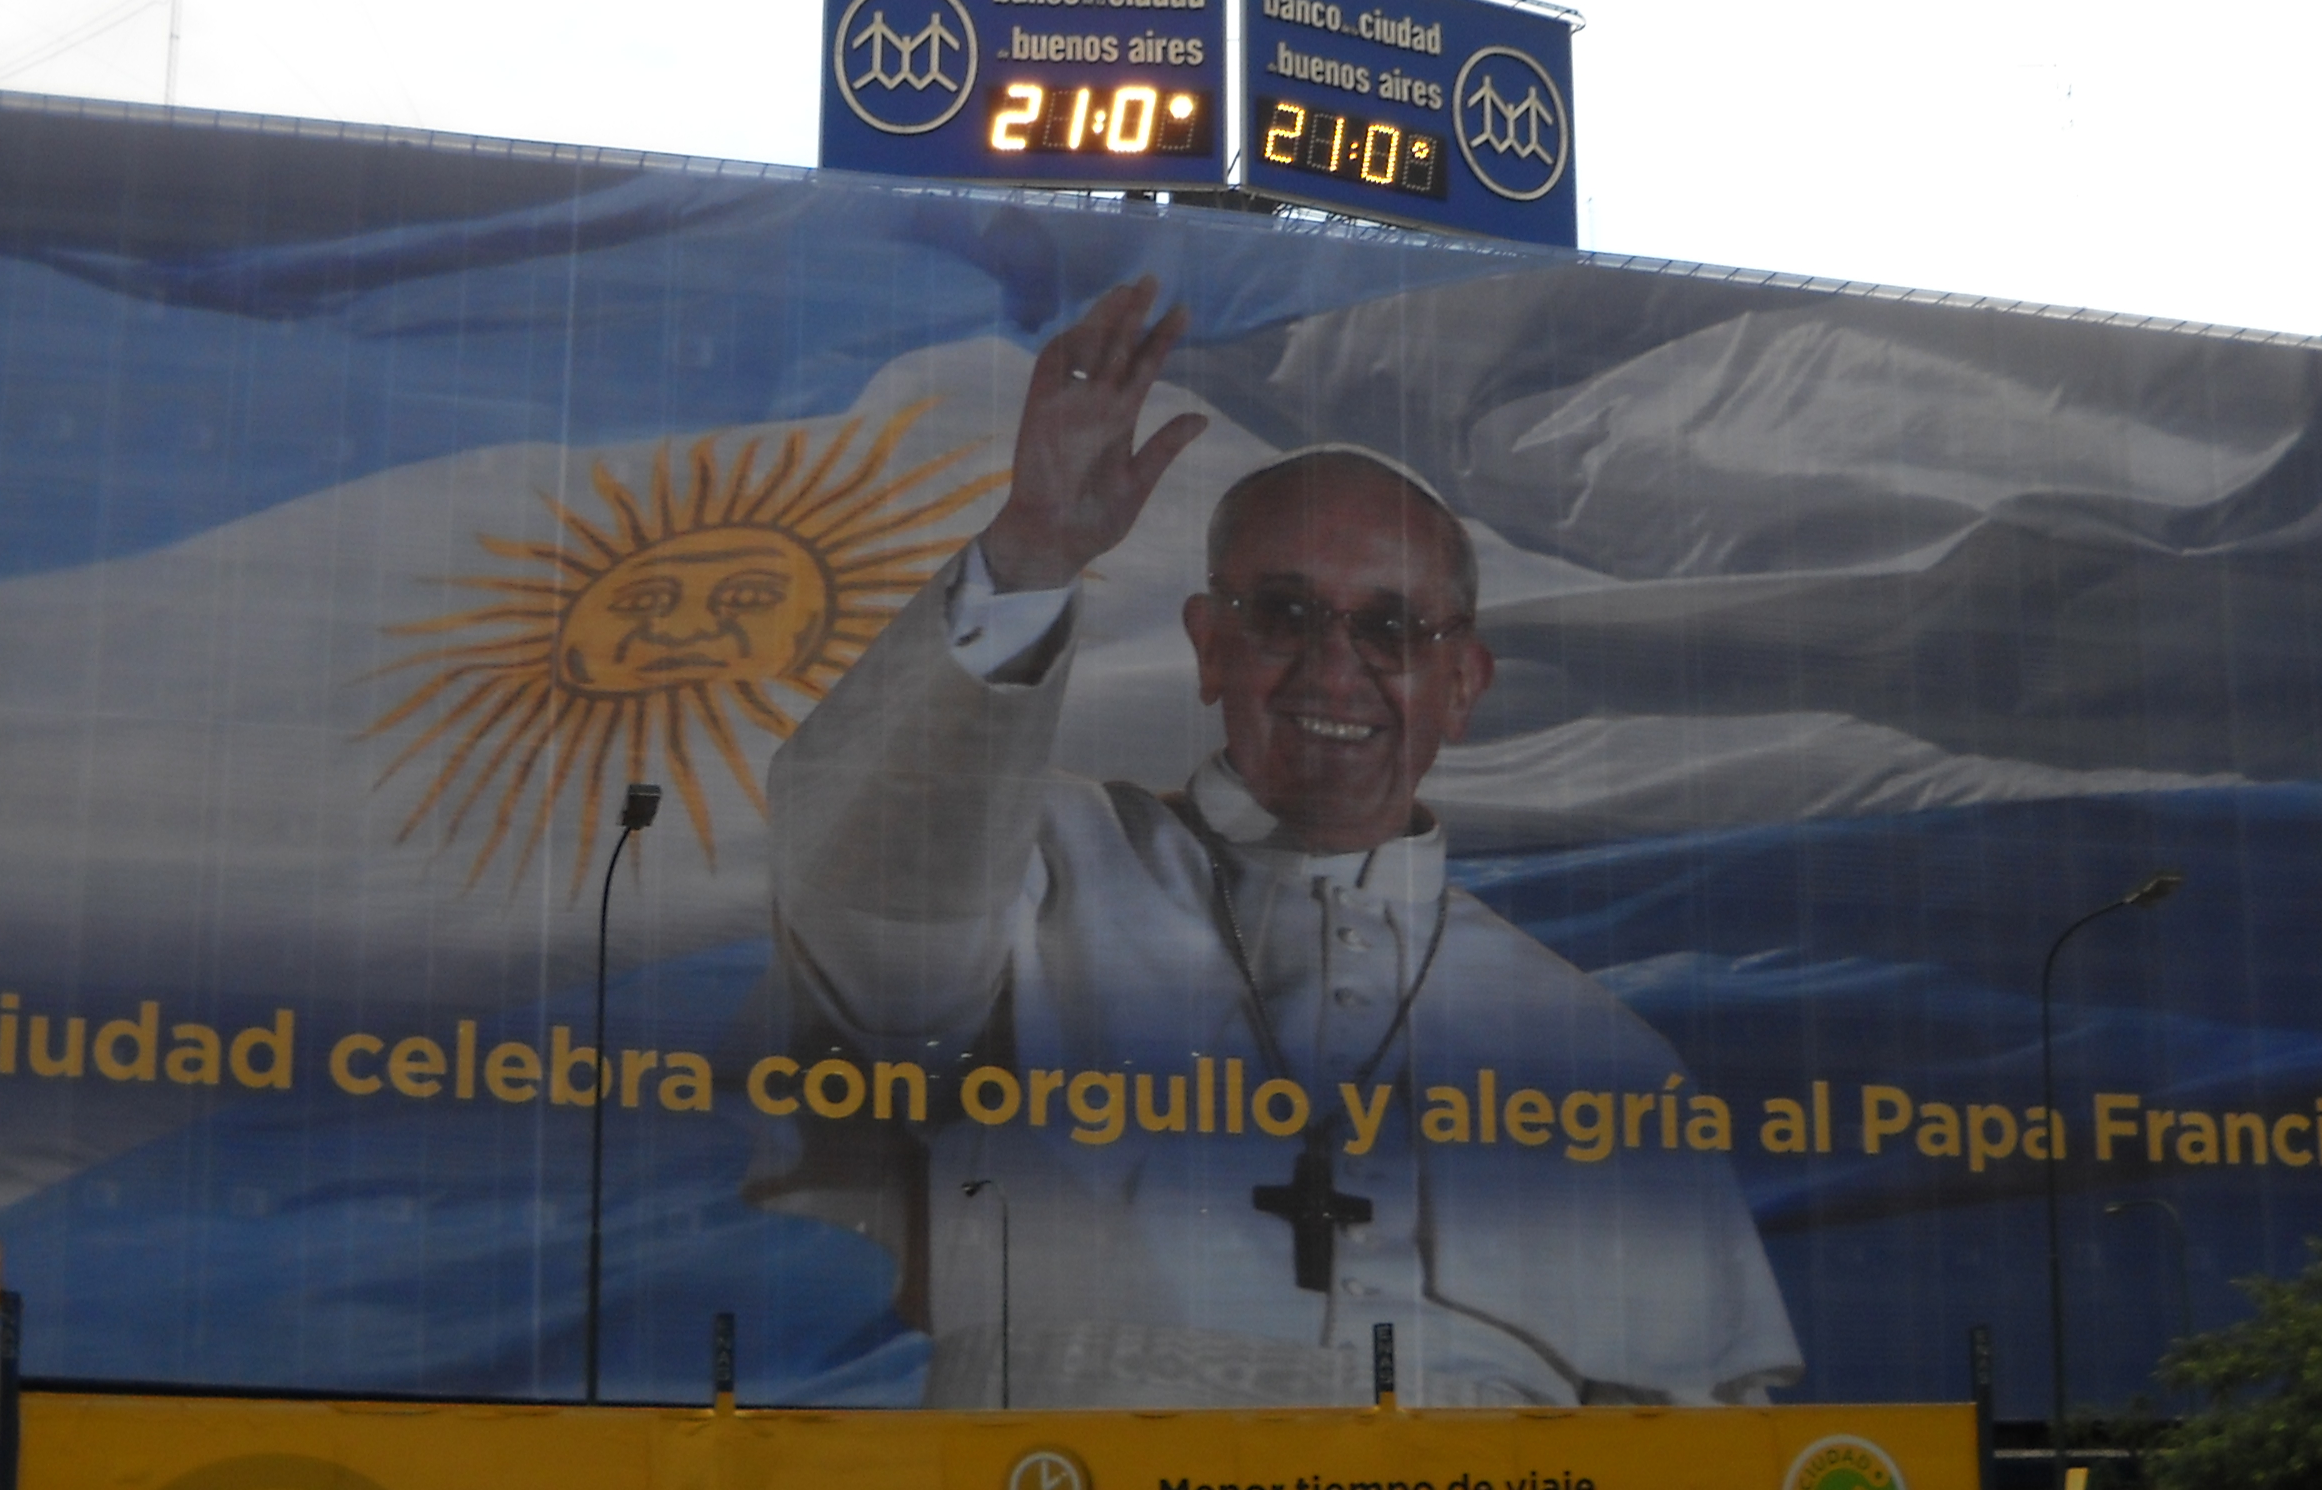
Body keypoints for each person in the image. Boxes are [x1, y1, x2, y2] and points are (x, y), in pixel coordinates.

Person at [769, 279, 1800, 1410]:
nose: (1334, 667)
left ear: (1463, 687)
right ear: (1210, 649)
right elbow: (857, 890)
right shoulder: (1042, 863)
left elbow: (1701, 1444)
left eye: (1394, 628)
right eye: (1283, 614)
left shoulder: (1600, 1050)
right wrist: (1030, 555)